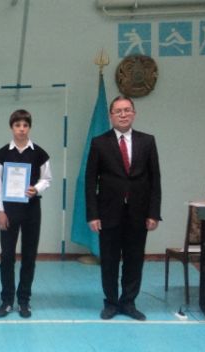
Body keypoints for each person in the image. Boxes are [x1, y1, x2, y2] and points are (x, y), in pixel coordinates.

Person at [85, 95, 162, 321]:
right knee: (109, 261)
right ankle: (110, 303)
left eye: (127, 110)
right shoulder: (99, 142)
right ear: (111, 116)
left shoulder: (147, 141)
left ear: (134, 114)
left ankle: (129, 302)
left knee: (134, 260)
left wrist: (154, 212)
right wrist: (92, 214)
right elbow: (90, 181)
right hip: (108, 212)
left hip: (139, 212)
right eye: (118, 111)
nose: (123, 114)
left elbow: (155, 179)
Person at [0, 109, 52, 318]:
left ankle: (24, 301)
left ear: (29, 127)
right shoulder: (2, 154)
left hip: (32, 210)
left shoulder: (39, 153)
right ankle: (7, 301)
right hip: (9, 211)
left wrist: (37, 188)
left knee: (29, 256)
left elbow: (47, 179)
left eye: (25, 125)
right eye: (17, 125)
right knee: (7, 256)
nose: (21, 129)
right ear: (12, 127)